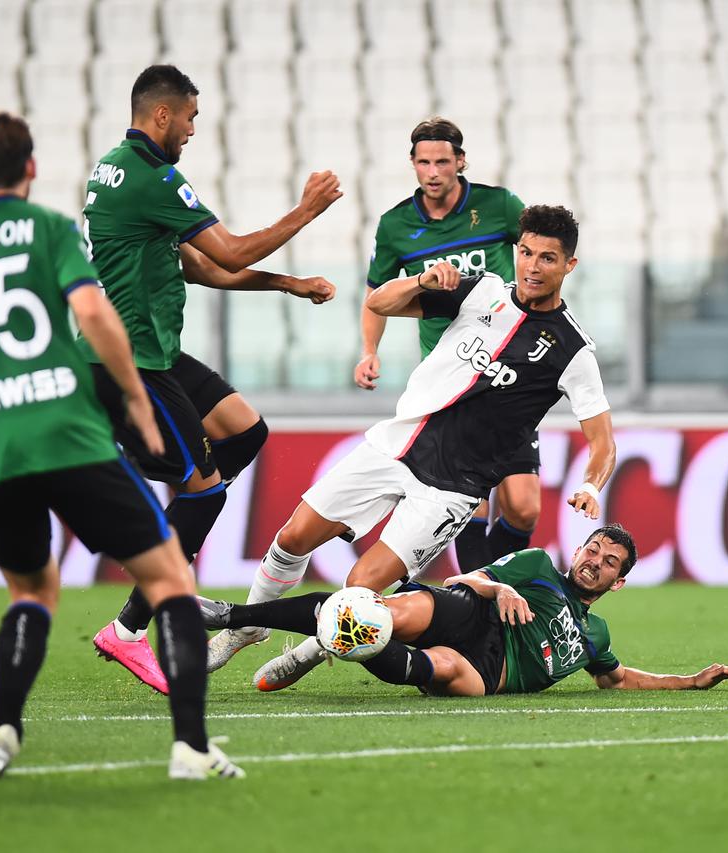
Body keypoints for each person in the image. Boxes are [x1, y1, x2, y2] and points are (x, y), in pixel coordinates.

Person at [0, 113, 241, 778]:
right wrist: (137, 398)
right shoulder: (49, 230)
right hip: (67, 429)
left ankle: (0, 733)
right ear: (30, 169)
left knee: (30, 590)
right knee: (168, 578)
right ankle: (192, 747)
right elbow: (91, 312)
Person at [204, 204, 617, 671]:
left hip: (451, 488)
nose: (532, 267)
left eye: (547, 258)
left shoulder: (573, 350)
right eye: (525, 252)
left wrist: (590, 485)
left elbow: (603, 441)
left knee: (361, 587)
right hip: (397, 444)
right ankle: (248, 627)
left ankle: (308, 652)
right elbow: (379, 302)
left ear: (569, 265)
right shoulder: (480, 291)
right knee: (294, 536)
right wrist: (420, 281)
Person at [83, 64, 344, 690]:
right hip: (131, 363)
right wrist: (306, 211)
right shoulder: (153, 177)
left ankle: (169, 530)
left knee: (245, 432)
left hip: (157, 354)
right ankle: (130, 627)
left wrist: (288, 283)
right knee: (204, 493)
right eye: (192, 117)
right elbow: (228, 251)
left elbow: (202, 269)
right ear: (163, 114)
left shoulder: (115, 170)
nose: (195, 129)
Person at [198, 524, 728, 695]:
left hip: (490, 670)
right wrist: (500, 590)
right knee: (390, 611)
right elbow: (467, 578)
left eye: (608, 564)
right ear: (578, 550)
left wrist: (690, 681)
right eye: (592, 551)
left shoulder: (595, 636)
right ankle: (229, 617)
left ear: (618, 582)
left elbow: (619, 680)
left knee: (435, 669)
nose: (595, 563)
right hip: (473, 613)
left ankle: (332, 640)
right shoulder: (534, 566)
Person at [357, 117, 539, 571]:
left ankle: (490, 583)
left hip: (506, 368)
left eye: (443, 161)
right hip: (448, 378)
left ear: (460, 162)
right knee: (469, 499)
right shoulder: (396, 225)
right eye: (424, 162)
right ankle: (486, 597)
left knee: (524, 506)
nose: (433, 171)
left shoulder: (498, 207)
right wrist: (369, 351)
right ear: (413, 165)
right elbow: (376, 294)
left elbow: (539, 252)